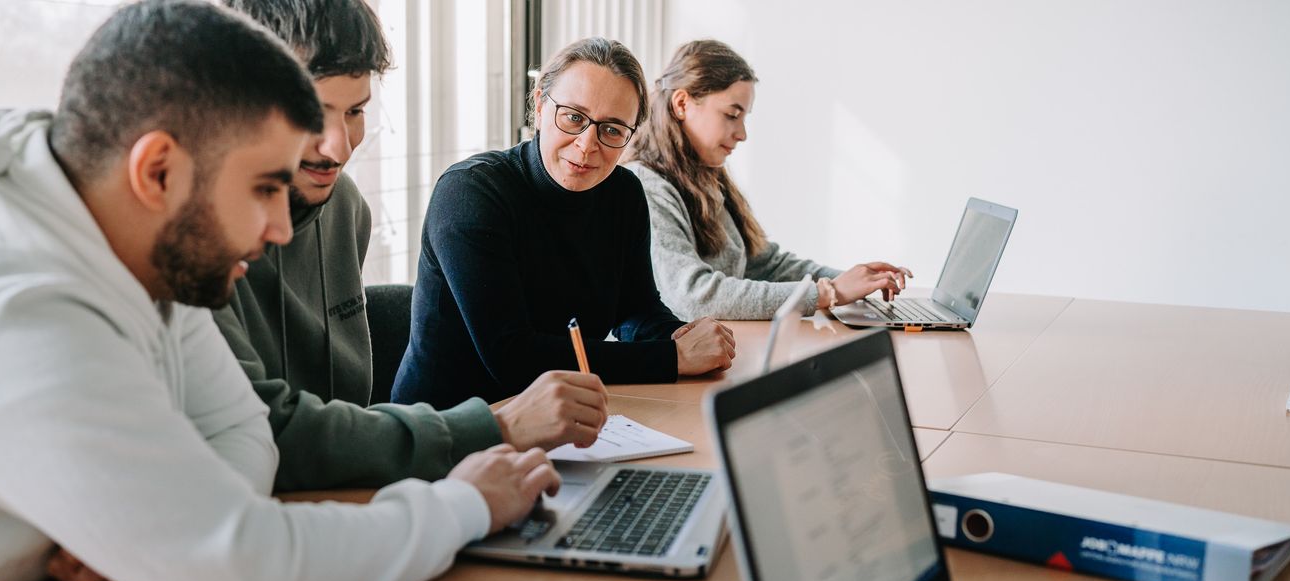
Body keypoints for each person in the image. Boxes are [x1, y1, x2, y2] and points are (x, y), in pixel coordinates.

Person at [0, 2, 557, 581]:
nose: (283, 227)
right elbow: (251, 569)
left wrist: (173, 541)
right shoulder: (11, 323)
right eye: (261, 188)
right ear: (157, 171)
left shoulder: (143, 261)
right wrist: (465, 502)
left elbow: (241, 429)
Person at [210, 0, 608, 494]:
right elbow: (268, 432)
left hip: (350, 502)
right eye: (311, 111)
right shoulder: (192, 240)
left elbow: (345, 418)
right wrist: (492, 429)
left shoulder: (345, 209)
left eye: (356, 111)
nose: (339, 146)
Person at [392, 37, 737, 410]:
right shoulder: (470, 192)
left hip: (563, 416)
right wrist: (674, 358)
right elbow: (514, 358)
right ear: (540, 106)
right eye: (573, 117)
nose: (588, 144)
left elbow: (635, 311)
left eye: (612, 130)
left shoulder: (624, 193)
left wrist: (685, 336)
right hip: (453, 431)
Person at [624, 40, 912, 321]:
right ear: (682, 103)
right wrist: (829, 292)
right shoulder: (646, 185)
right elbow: (694, 296)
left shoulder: (704, 179)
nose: (742, 133)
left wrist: (855, 281)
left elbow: (767, 265)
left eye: (743, 118)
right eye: (732, 115)